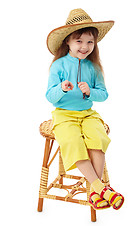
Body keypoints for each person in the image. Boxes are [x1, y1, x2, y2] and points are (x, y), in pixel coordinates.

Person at [45, 8, 124, 210]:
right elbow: (49, 96)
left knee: (97, 139)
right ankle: (101, 188)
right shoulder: (59, 66)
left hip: (88, 114)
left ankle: (94, 192)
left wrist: (90, 92)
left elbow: (104, 94)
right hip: (64, 115)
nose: (85, 46)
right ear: (68, 42)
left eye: (90, 41)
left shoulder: (94, 67)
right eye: (79, 41)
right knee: (72, 141)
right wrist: (61, 88)